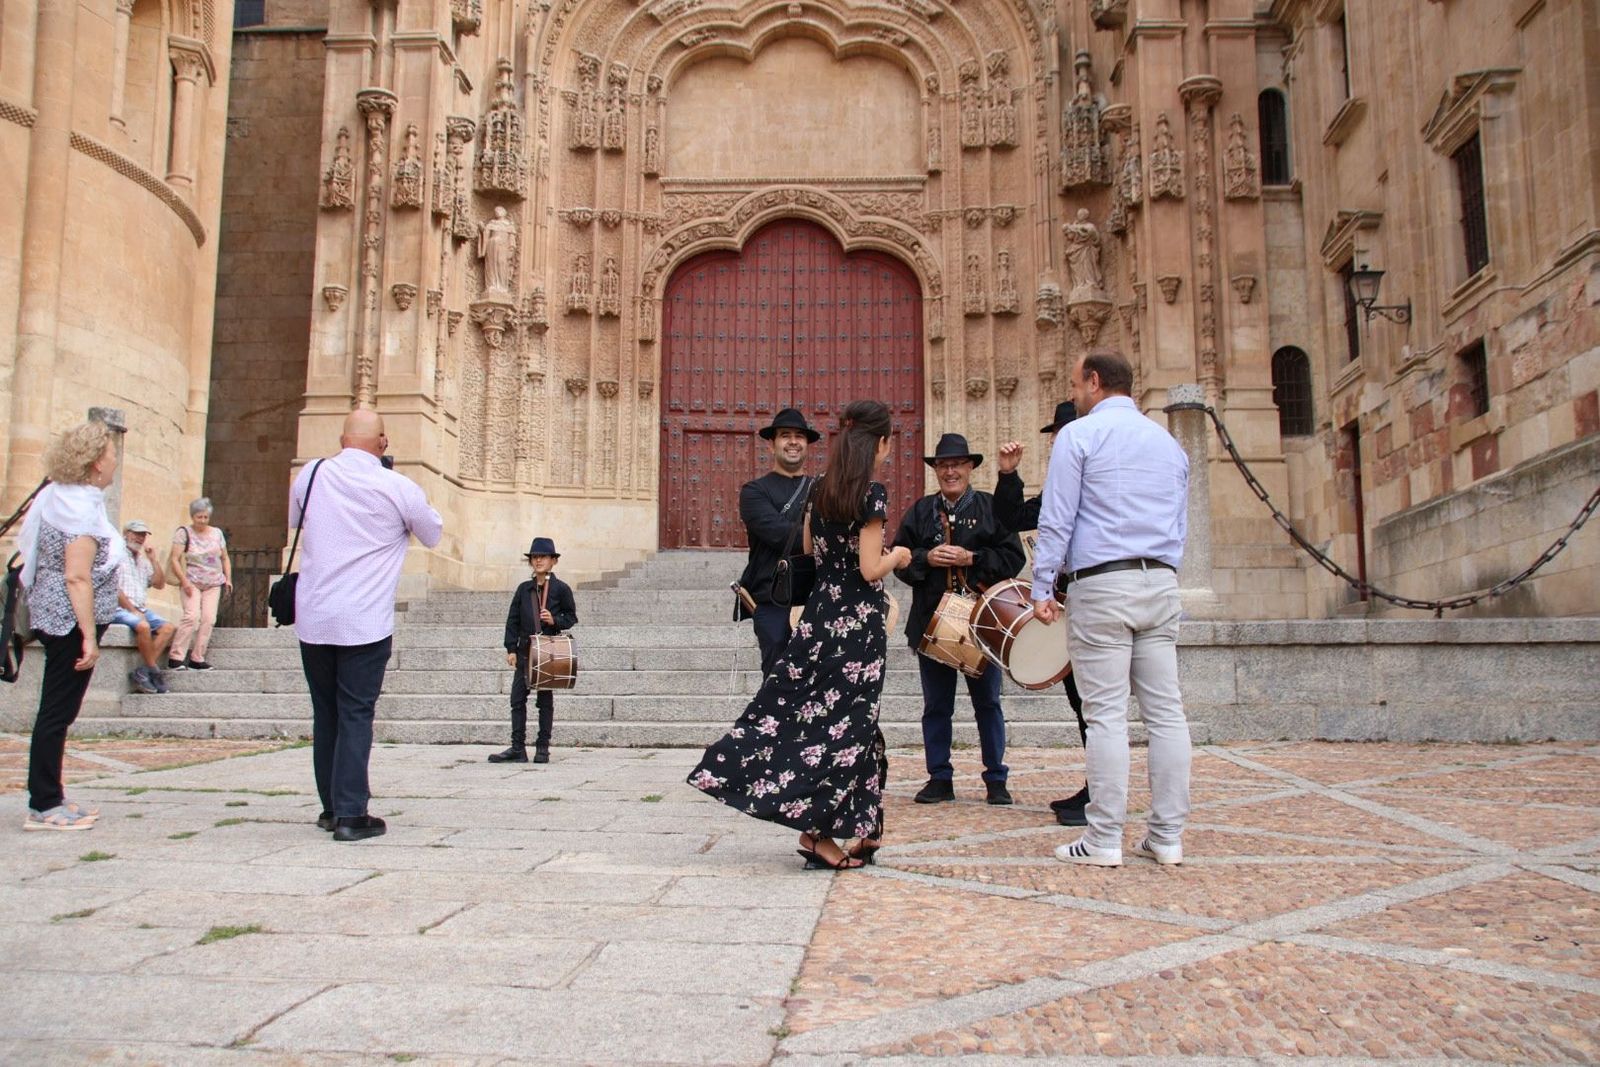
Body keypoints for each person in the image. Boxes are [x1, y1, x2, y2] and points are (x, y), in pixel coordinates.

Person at [689, 400, 910, 871]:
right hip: (856, 626)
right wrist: (899, 556)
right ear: (881, 443)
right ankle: (817, 835)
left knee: (850, 724)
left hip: (818, 616)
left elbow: (810, 549)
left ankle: (865, 826)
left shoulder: (820, 492)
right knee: (846, 728)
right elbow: (871, 568)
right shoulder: (870, 493)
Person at [1031, 351, 1190, 867]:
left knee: (1105, 717)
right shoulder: (1167, 443)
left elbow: (1057, 518)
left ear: (1095, 382)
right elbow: (1180, 520)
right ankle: (1166, 837)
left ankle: (1102, 840)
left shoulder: (1079, 436)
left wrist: (1041, 587)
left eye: (1076, 384)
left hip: (1102, 585)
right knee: (1166, 714)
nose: (1074, 394)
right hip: (1161, 581)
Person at [290, 410, 443, 842]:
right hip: (364, 619)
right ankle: (352, 815)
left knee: (327, 713)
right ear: (383, 443)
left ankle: (331, 807)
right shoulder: (398, 487)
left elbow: (296, 520)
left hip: (315, 615)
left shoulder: (311, 475)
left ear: (341, 440)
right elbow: (432, 532)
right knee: (356, 713)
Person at [894, 433, 1025, 806]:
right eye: (943, 465)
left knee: (988, 704)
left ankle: (996, 779)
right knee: (936, 705)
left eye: (957, 464)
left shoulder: (990, 507)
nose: (950, 471)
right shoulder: (919, 512)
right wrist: (925, 559)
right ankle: (939, 777)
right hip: (933, 623)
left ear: (970, 468)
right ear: (936, 470)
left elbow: (1013, 559)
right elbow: (898, 558)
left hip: (981, 624)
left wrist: (972, 558)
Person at [18, 421, 124, 830]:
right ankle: (44, 803)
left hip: (57, 615)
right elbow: (76, 575)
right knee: (57, 711)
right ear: (97, 462)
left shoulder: (61, 497)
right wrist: (88, 637)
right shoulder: (77, 507)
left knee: (59, 710)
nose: (114, 460)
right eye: (111, 453)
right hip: (67, 621)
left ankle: (51, 794)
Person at [994, 400, 1092, 827]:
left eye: (1063, 434)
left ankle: (1103, 794)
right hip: (1070, 606)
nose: (1058, 442)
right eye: (1055, 436)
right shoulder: (1058, 487)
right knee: (1082, 702)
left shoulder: (1099, 483)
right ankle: (1099, 790)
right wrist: (1009, 475)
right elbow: (1013, 518)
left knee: (1095, 703)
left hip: (1098, 598)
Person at [737, 408, 821, 678]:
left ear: (807, 445)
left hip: (817, 600)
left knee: (817, 687)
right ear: (771, 444)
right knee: (776, 684)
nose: (793, 441)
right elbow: (779, 534)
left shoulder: (823, 488)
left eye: (799, 436)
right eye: (785, 436)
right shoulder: (754, 492)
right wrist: (823, 537)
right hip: (773, 601)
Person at [491, 537, 578, 764]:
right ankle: (518, 748)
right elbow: (513, 620)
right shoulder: (523, 589)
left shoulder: (561, 589)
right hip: (525, 651)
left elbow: (571, 617)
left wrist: (555, 620)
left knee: (544, 701)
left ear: (553, 561)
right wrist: (511, 648)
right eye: (535, 557)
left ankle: (543, 748)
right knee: (517, 699)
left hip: (548, 651)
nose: (538, 561)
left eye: (543, 557)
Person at [166, 497, 231, 671]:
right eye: (199, 517)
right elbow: (174, 559)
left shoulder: (217, 533)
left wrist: (228, 578)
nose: (202, 521)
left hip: (213, 582)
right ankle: (176, 657)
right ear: (192, 516)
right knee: (191, 616)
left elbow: (224, 557)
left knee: (209, 619)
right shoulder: (184, 532)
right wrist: (184, 581)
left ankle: (197, 657)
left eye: (205, 517)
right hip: (191, 581)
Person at [112, 519, 174, 695]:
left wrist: (154, 560)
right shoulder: (116, 554)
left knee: (168, 628)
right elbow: (114, 588)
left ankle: (144, 671)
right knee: (143, 626)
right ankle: (153, 671)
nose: (140, 538)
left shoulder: (142, 559)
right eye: (136, 533)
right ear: (126, 533)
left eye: (143, 535)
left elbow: (159, 584)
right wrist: (132, 610)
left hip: (140, 607)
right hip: (119, 608)